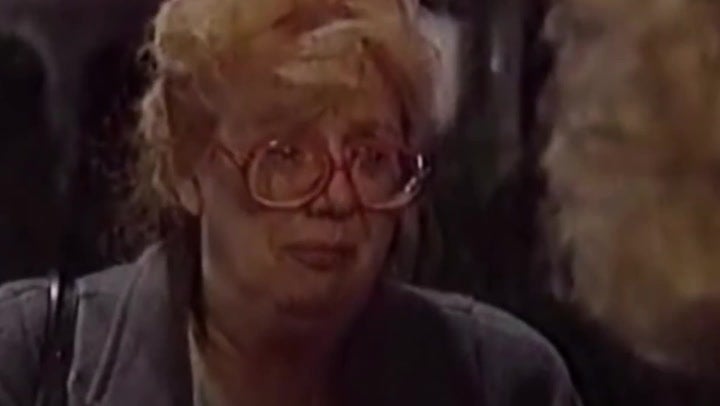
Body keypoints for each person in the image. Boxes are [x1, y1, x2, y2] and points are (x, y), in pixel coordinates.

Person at [0, 0, 580, 404]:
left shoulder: (503, 384)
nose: (337, 198)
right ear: (185, 166)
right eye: (285, 155)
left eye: (371, 158)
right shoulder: (25, 363)